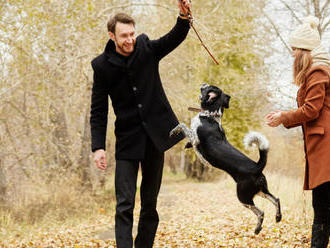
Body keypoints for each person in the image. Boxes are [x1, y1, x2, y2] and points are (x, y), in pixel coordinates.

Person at [90, 1, 191, 247]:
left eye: (132, 33)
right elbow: (98, 110)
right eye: (124, 35)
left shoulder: (146, 48)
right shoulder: (101, 66)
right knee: (124, 204)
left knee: (149, 204)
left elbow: (173, 38)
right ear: (112, 35)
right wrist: (98, 147)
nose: (130, 39)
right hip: (127, 141)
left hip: (156, 138)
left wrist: (184, 15)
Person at [266, 16, 330, 248]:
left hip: (326, 150)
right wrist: (285, 116)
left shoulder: (318, 72)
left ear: (305, 51)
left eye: (294, 49)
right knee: (322, 208)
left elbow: (311, 110)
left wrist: (284, 116)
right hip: (322, 149)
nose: (292, 54)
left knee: (322, 210)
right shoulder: (316, 71)